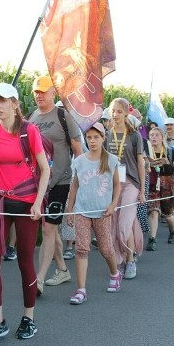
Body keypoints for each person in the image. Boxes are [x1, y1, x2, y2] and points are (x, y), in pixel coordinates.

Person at [0, 83, 50, 344]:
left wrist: (37, 204)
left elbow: (45, 169)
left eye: (3, 101)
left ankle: (28, 318)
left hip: (27, 201)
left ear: (15, 104)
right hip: (0, 200)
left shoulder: (28, 131)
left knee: (24, 261)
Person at [29, 76, 83, 293]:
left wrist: (79, 185)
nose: (39, 95)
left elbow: (78, 151)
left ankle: (39, 279)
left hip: (61, 181)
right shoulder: (31, 118)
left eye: (43, 91)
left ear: (53, 93)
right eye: (36, 91)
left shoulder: (63, 116)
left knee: (50, 229)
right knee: (48, 229)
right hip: (40, 184)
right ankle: (62, 269)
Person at [66, 122, 122, 304]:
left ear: (103, 138)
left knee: (105, 247)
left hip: (102, 211)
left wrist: (113, 205)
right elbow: (75, 186)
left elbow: (117, 185)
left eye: (96, 137)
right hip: (82, 210)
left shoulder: (111, 160)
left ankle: (115, 273)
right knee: (81, 248)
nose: (92, 141)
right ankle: (81, 289)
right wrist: (70, 210)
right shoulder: (80, 161)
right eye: (89, 137)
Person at [104, 98, 146, 278]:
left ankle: (130, 260)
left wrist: (142, 190)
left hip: (130, 184)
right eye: (113, 111)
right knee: (115, 224)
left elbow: (140, 163)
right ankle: (123, 259)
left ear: (126, 113)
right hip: (113, 184)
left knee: (124, 223)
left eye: (119, 111)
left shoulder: (135, 136)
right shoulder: (106, 134)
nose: (115, 114)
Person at [145, 127, 174, 247]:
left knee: (167, 214)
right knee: (153, 211)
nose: (154, 137)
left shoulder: (170, 152)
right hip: (153, 185)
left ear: (162, 137)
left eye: (157, 135)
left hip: (168, 186)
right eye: (152, 135)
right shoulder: (146, 153)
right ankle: (152, 239)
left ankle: (173, 229)